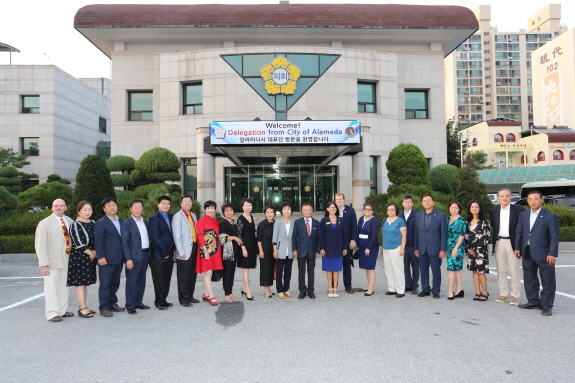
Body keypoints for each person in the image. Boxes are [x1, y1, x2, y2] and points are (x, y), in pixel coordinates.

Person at [515, 191, 559, 316]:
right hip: (527, 251)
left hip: (544, 253)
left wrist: (552, 253)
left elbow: (554, 236)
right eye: (530, 199)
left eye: (535, 199)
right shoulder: (523, 214)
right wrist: (517, 247)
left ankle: (546, 305)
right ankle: (533, 301)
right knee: (529, 278)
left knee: (548, 280)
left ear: (542, 200)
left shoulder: (550, 216)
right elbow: (519, 232)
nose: (533, 201)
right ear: (527, 201)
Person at [35, 199, 75, 322]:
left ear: (65, 208)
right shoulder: (45, 223)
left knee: (64, 286)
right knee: (51, 287)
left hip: (67, 259)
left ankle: (62, 310)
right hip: (52, 261)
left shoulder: (70, 221)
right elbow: (40, 245)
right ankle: (52, 313)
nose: (59, 208)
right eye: (56, 206)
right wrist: (44, 264)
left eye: (61, 206)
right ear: (52, 208)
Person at [489, 188, 524, 306]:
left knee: (514, 270)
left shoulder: (519, 210)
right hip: (499, 242)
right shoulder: (493, 211)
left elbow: (521, 229)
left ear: (511, 197)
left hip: (512, 243)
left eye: (507, 196)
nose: (504, 198)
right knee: (501, 269)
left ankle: (515, 295)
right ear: (498, 198)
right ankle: (503, 293)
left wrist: (519, 246)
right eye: (502, 196)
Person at [94, 197, 125, 317]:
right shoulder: (101, 223)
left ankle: (112, 303)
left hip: (119, 258)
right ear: (104, 208)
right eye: (108, 205)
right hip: (106, 259)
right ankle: (104, 307)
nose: (112, 207)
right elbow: (98, 241)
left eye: (114, 204)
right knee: (105, 284)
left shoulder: (122, 221)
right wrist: (100, 257)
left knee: (115, 283)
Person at [67, 201, 97, 318]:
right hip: (79, 257)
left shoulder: (93, 223)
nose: (88, 212)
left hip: (91, 257)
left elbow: (97, 239)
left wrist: (95, 251)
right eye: (84, 209)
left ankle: (83, 306)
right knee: (80, 283)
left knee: (85, 283)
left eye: (90, 209)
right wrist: (91, 252)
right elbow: (78, 242)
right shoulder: (75, 225)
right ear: (78, 211)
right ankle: (82, 308)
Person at [414, 194, 447, 299]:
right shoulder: (418, 215)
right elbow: (416, 232)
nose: (427, 202)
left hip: (435, 248)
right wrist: (416, 247)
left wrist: (442, 249)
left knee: (436, 270)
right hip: (422, 248)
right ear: (422, 203)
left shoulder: (440, 215)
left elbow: (443, 233)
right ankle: (425, 289)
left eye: (429, 200)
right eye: (424, 201)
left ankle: (436, 290)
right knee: (423, 270)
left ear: (433, 202)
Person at [121, 199, 151, 314]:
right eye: (135, 207)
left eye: (140, 207)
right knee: (132, 281)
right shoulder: (126, 223)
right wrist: (128, 259)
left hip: (145, 254)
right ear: (131, 209)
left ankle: (138, 302)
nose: (138, 209)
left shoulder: (145, 222)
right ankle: (130, 305)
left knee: (141, 280)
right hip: (133, 256)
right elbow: (125, 242)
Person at [172, 195, 200, 307]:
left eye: (190, 201)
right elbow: (176, 236)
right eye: (185, 201)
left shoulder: (193, 215)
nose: (188, 203)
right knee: (183, 275)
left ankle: (190, 296)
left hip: (194, 247)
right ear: (181, 203)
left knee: (192, 274)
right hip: (184, 250)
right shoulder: (177, 217)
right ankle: (183, 299)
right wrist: (180, 251)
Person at [148, 196, 175, 310]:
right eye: (163, 203)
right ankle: (158, 302)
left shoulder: (171, 216)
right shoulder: (154, 218)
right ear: (158, 204)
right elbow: (155, 237)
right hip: (158, 255)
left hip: (169, 253)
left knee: (167, 278)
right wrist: (165, 252)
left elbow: (172, 234)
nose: (166, 205)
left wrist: (173, 249)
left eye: (168, 203)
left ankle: (164, 299)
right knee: (159, 279)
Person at [196, 200, 224, 306]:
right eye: (208, 208)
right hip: (206, 249)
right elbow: (200, 236)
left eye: (212, 208)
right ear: (205, 209)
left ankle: (205, 294)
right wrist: (205, 251)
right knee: (208, 272)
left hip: (215, 249)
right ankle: (211, 296)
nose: (210, 210)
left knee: (210, 272)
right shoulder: (201, 221)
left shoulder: (215, 221)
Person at [319, 201, 348, 298]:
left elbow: (345, 235)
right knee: (328, 269)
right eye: (330, 207)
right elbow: (321, 236)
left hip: (339, 248)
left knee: (336, 269)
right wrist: (322, 248)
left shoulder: (341, 220)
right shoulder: (324, 220)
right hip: (327, 248)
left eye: (334, 207)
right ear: (327, 209)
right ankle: (330, 288)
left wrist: (345, 247)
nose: (332, 209)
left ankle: (335, 288)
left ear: (336, 209)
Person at [292, 202, 321, 299]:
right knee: (301, 272)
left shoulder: (317, 223)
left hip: (312, 251)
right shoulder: (297, 222)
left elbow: (319, 239)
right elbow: (294, 237)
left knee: (311, 272)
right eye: (305, 210)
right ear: (302, 211)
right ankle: (302, 291)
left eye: (309, 210)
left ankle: (311, 291)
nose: (307, 211)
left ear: (312, 211)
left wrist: (318, 251)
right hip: (301, 250)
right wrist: (294, 250)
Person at [467, 200, 491, 302]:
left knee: (481, 272)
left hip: (481, 251)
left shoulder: (484, 221)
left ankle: (485, 292)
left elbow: (486, 237)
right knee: (474, 271)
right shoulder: (468, 222)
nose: (474, 209)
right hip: (470, 251)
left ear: (480, 209)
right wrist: (468, 248)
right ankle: (477, 291)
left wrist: (477, 250)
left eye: (476, 207)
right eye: (472, 207)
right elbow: (467, 237)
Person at [334, 193, 358, 294]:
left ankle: (348, 285)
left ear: (344, 200)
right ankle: (333, 286)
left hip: (347, 242)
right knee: (334, 265)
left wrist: (353, 240)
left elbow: (354, 226)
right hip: (335, 243)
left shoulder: (350, 210)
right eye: (337, 199)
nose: (338, 201)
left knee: (347, 264)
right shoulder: (332, 209)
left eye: (340, 199)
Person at [382, 203, 406, 298]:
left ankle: (400, 290)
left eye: (392, 209)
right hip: (386, 248)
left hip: (396, 247)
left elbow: (404, 235)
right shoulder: (385, 220)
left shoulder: (400, 221)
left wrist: (402, 248)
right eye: (388, 209)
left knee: (398, 269)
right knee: (388, 269)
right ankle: (392, 289)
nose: (390, 211)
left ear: (396, 210)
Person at [220, 202, 243, 302]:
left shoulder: (234, 222)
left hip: (235, 251)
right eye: (226, 211)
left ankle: (231, 292)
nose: (229, 212)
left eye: (230, 210)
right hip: (227, 251)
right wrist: (234, 237)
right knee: (227, 272)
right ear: (223, 213)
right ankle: (227, 294)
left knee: (232, 272)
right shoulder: (222, 223)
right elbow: (221, 238)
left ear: (233, 211)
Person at [272, 201, 295, 299]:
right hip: (280, 250)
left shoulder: (294, 222)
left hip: (290, 251)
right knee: (279, 271)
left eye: (289, 209)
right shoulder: (278, 222)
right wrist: (275, 250)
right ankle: (279, 290)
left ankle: (286, 289)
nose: (287, 211)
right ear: (282, 211)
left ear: (291, 211)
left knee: (288, 271)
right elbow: (274, 238)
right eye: (285, 209)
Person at [357, 203, 381, 296]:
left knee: (370, 268)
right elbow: (358, 232)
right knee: (366, 267)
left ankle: (371, 288)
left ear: (373, 211)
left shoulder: (374, 221)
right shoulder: (361, 219)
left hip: (371, 247)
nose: (367, 210)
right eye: (365, 209)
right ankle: (368, 285)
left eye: (369, 209)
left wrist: (369, 247)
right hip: (362, 246)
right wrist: (358, 244)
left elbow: (374, 236)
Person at [236, 198, 258, 300]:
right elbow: (239, 235)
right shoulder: (240, 219)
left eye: (250, 205)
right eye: (246, 205)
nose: (248, 207)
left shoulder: (251, 217)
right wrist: (243, 248)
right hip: (244, 246)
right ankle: (248, 291)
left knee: (247, 268)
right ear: (242, 207)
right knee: (245, 268)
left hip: (252, 245)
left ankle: (244, 288)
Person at [399, 195, 420, 295]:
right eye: (405, 202)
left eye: (409, 202)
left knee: (415, 266)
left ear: (413, 203)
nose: (407, 204)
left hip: (413, 245)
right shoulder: (399, 214)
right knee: (405, 266)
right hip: (402, 245)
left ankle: (415, 285)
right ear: (402, 203)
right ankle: (408, 285)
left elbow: (419, 232)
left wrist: (417, 247)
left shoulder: (418, 215)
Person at [446, 200, 466, 300]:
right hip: (449, 247)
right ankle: (459, 289)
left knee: (451, 269)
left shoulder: (461, 220)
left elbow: (462, 235)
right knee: (456, 269)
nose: (453, 209)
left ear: (459, 209)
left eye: (455, 208)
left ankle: (450, 290)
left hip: (457, 247)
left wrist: (455, 248)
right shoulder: (447, 219)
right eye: (451, 208)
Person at [257, 205, 276, 298]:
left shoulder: (276, 223)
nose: (269, 214)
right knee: (265, 269)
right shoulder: (262, 224)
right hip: (264, 250)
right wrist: (260, 251)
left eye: (271, 212)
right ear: (265, 213)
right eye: (268, 212)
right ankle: (265, 288)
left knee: (271, 269)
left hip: (274, 250)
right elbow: (259, 239)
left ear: (274, 213)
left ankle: (269, 287)